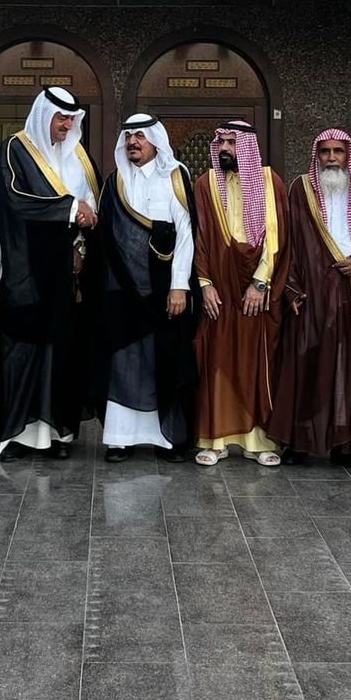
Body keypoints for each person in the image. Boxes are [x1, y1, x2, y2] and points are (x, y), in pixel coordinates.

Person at [0, 86, 100, 462]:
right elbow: (14, 198)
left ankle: (58, 434)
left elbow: (92, 209)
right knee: (21, 349)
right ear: (43, 116)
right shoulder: (15, 149)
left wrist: (81, 246)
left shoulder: (78, 157)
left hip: (66, 272)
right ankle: (16, 435)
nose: (67, 125)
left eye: (72, 120)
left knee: (61, 349)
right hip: (25, 268)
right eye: (60, 118)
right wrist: (71, 209)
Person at [268, 129, 351, 468]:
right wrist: (290, 288)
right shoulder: (300, 189)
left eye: (338, 151)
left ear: (349, 156)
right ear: (316, 155)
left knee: (350, 368)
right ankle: (300, 444)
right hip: (311, 293)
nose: (332, 157)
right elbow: (287, 241)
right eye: (325, 152)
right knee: (307, 365)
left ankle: (345, 445)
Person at [93, 114, 200, 462]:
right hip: (122, 292)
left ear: (156, 140)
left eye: (140, 136)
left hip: (163, 291)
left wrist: (180, 286)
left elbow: (185, 236)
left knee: (163, 361)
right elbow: (105, 239)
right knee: (123, 361)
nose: (132, 143)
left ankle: (165, 439)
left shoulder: (175, 177)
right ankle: (120, 438)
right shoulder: (115, 182)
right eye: (128, 137)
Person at [192, 121, 289, 468]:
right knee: (217, 361)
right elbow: (199, 236)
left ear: (246, 145)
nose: (226, 149)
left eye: (233, 142)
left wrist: (261, 282)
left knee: (254, 361)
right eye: (222, 142)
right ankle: (214, 440)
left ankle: (258, 440)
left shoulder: (268, 181)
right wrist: (204, 284)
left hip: (254, 290)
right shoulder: (205, 184)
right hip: (218, 287)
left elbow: (277, 235)